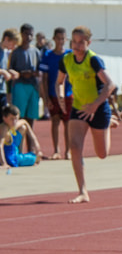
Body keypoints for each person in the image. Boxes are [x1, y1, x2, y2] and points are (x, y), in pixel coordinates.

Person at [57, 26, 116, 204]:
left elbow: (110, 85)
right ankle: (83, 191)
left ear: (88, 43)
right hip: (78, 108)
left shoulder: (93, 60)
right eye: (73, 41)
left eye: (80, 42)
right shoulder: (66, 59)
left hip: (98, 108)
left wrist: (95, 105)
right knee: (74, 147)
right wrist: (60, 95)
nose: (76, 45)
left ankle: (108, 124)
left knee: (102, 154)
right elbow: (59, 81)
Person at [40, 27, 73, 159]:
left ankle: (68, 151)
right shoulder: (48, 55)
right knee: (55, 121)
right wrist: (46, 97)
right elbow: (44, 78)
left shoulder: (70, 55)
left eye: (63, 38)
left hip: (68, 94)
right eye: (58, 38)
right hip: (53, 94)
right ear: (54, 39)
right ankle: (56, 150)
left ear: (66, 39)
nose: (60, 41)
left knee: (68, 123)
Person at [10, 23, 43, 131]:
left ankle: (30, 146)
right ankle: (18, 146)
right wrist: (21, 74)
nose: (28, 37)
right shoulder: (15, 52)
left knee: (31, 117)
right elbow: (10, 70)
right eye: (26, 34)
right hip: (20, 86)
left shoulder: (36, 52)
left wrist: (34, 73)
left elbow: (40, 70)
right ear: (21, 34)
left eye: (31, 35)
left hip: (33, 86)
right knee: (19, 117)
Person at [1, 104, 43, 169]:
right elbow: (0, 145)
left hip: (13, 151)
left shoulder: (13, 124)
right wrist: (4, 163)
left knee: (23, 127)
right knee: (34, 159)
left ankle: (21, 153)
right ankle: (27, 158)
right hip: (11, 157)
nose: (14, 121)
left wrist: (35, 141)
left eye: (16, 119)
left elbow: (24, 122)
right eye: (12, 119)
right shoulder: (4, 128)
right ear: (4, 118)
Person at [0, 28, 19, 110]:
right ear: (6, 39)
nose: (14, 47)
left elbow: (3, 68)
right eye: (13, 43)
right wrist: (3, 72)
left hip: (2, 90)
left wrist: (10, 72)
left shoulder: (6, 53)